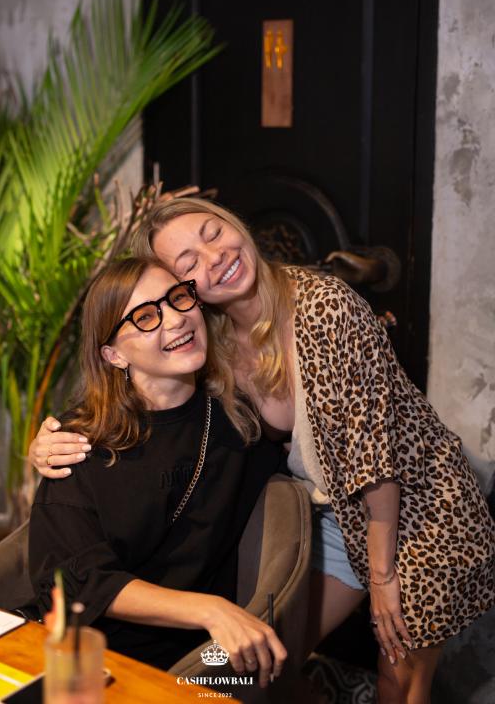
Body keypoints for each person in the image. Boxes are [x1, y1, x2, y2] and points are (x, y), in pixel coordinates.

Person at [30, 198, 495, 704]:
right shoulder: (212, 349)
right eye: (187, 264)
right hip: (329, 512)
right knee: (272, 660)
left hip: (417, 505)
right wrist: (52, 440)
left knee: (398, 678)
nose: (214, 258)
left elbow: (373, 459)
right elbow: (77, 570)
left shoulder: (319, 311)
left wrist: (384, 581)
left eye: (213, 233)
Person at [28, 257, 286, 686]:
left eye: (179, 297)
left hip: (196, 661)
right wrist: (209, 609)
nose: (176, 318)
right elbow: (76, 579)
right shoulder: (78, 443)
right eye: (146, 317)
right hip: (88, 657)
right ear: (113, 355)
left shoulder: (239, 421)